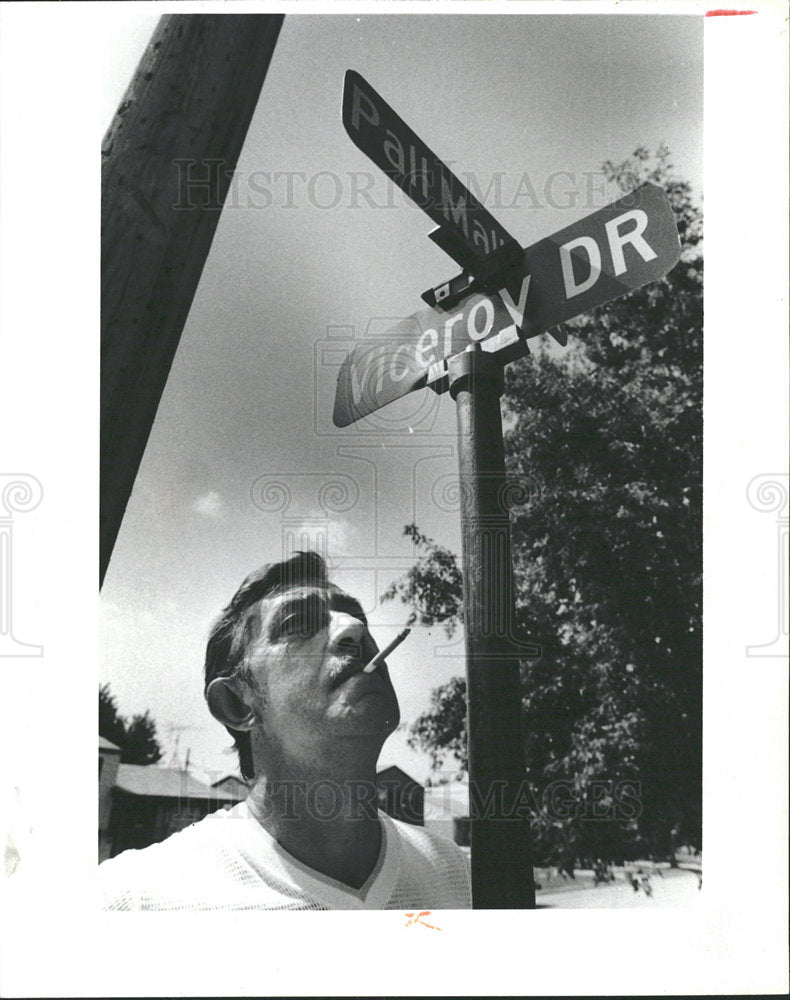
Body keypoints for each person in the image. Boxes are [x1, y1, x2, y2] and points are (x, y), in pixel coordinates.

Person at [99, 551, 471, 910]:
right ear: (237, 704)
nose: (356, 629)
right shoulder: (132, 898)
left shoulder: (459, 875)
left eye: (357, 617)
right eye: (296, 623)